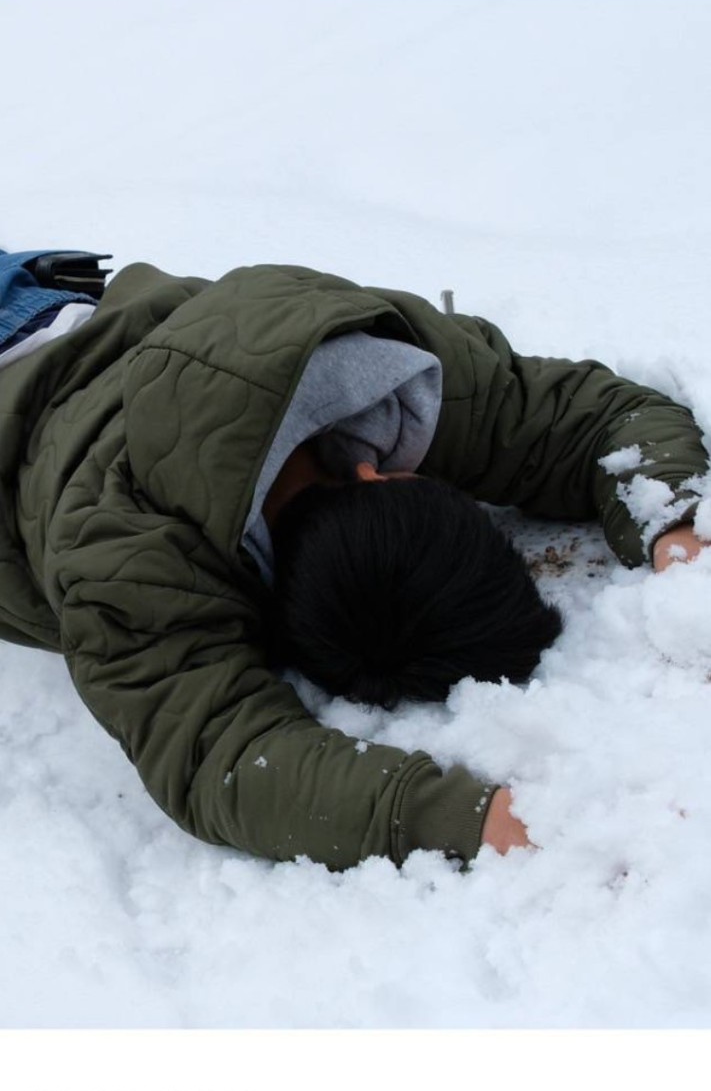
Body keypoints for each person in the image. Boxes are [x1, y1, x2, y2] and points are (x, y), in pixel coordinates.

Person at [0, 249, 707, 869]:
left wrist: (676, 534)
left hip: (55, 309)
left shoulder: (368, 364)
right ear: (374, 474)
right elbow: (220, 761)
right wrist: (474, 819)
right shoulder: (125, 563)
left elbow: (594, 417)